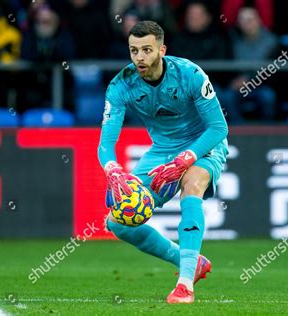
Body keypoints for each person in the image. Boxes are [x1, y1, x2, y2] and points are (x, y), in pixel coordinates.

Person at [98, 21, 228, 304]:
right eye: (134, 50)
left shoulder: (190, 74)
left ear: (162, 50)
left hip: (202, 145)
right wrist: (113, 170)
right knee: (117, 224)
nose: (140, 57)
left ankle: (184, 286)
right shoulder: (121, 85)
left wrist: (186, 159)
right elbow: (106, 144)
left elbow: (218, 128)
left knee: (192, 185)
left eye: (147, 50)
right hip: (162, 152)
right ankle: (192, 261)